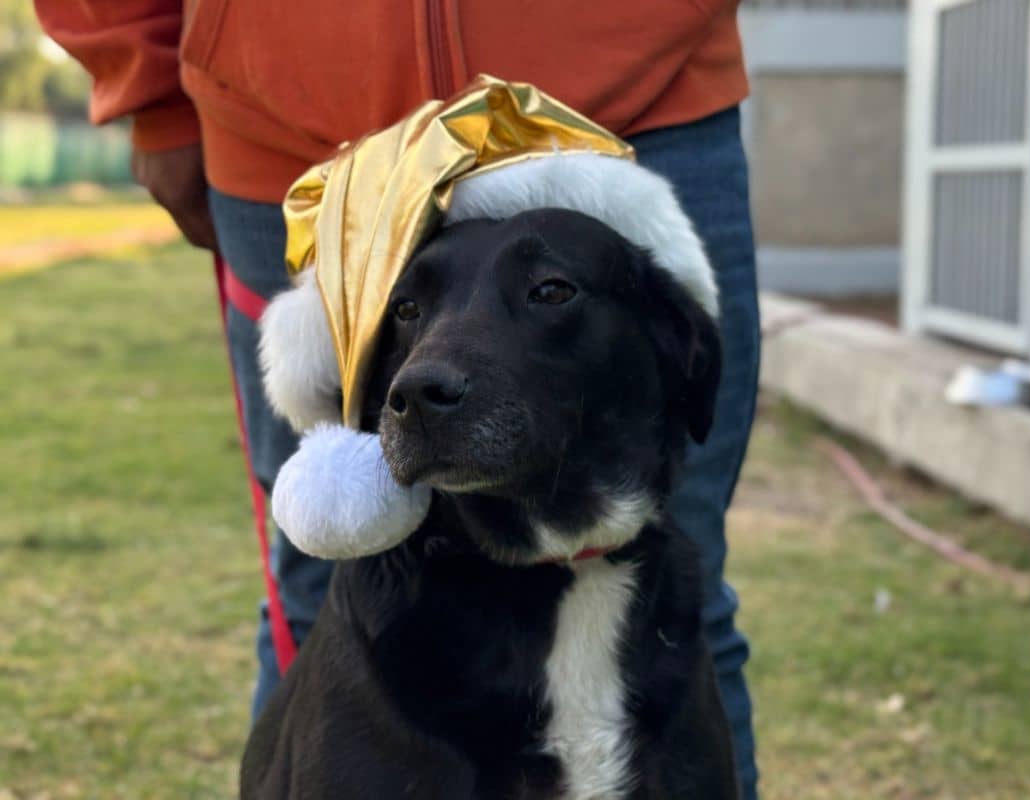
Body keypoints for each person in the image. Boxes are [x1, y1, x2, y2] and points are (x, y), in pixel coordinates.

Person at [35, 4, 762, 796]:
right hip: (291, 121)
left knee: (683, 566)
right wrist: (148, 86)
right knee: (335, 566)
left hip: (641, 91)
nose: (427, 375)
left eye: (548, 293)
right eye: (408, 321)